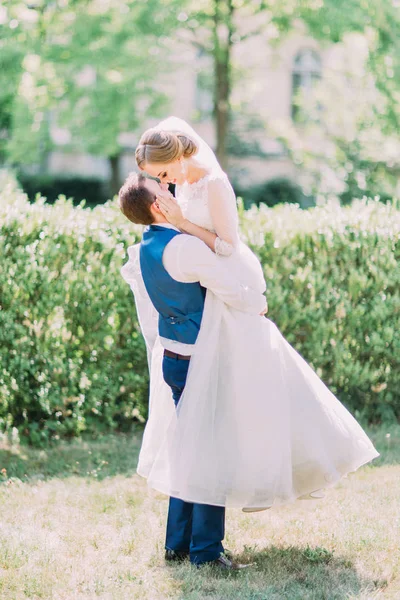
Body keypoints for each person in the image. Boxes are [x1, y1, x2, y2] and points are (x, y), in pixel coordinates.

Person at [121, 117, 378, 516]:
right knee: (214, 412)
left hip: (225, 281)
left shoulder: (214, 184)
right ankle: (211, 503)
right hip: (205, 292)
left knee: (253, 394)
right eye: (159, 179)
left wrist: (183, 224)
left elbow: (226, 246)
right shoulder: (182, 187)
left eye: (164, 174)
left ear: (176, 157)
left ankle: (289, 466)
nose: (166, 184)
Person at [119, 173, 266, 568]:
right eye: (163, 190)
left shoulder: (146, 246)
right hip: (203, 357)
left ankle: (177, 543)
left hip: (174, 357)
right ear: (156, 206)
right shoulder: (184, 248)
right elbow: (230, 288)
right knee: (211, 454)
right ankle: (206, 551)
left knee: (189, 449)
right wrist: (258, 303)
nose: (171, 190)